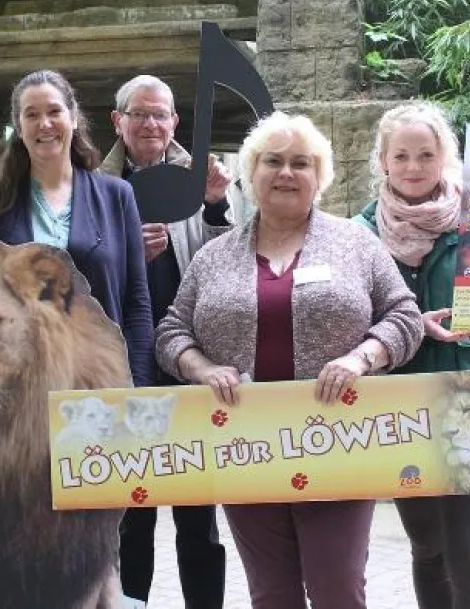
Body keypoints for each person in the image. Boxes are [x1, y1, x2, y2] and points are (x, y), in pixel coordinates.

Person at [156, 111, 424, 609]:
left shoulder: (355, 243)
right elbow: (171, 331)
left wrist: (362, 358)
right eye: (273, 161)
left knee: (338, 590)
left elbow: (404, 316)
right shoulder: (213, 256)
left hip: (339, 442)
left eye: (300, 163)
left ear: (319, 177)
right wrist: (203, 368)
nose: (286, 173)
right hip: (246, 446)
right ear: (250, 174)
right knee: (271, 594)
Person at [354, 100, 470, 609]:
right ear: (382, 160)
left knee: (469, 552)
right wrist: (403, 330)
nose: (413, 167)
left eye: (425, 154)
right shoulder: (356, 233)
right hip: (401, 400)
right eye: (401, 155)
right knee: (427, 547)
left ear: (444, 157)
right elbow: (345, 317)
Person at [99, 74, 231, 609]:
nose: (150, 124)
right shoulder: (92, 182)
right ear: (118, 122)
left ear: (175, 122)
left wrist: (218, 205)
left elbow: (230, 264)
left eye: (160, 114)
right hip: (125, 363)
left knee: (198, 514)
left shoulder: (201, 179)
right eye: (139, 114)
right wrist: (132, 256)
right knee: (132, 514)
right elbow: (81, 268)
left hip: (192, 362)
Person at [0, 69, 154, 387]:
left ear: (74, 118)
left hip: (98, 384)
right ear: (19, 127)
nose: (45, 124)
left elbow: (136, 302)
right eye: (32, 115)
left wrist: (140, 388)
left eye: (54, 111)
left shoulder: (116, 195)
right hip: (13, 388)